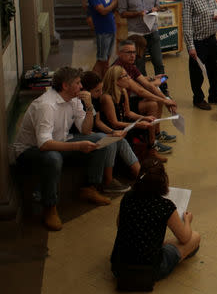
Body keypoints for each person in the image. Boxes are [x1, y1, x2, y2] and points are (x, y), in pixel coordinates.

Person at [10, 67, 127, 231]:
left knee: (101, 139)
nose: (81, 87)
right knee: (53, 158)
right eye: (78, 83)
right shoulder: (46, 105)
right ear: (65, 86)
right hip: (31, 151)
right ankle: (50, 207)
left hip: (60, 142)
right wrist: (78, 145)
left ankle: (89, 187)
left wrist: (89, 108)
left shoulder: (74, 99)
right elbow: (44, 144)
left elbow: (85, 130)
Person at [110, 157, 201, 289]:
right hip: (149, 270)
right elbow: (184, 237)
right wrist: (187, 220)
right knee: (195, 238)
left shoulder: (128, 197)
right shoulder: (165, 206)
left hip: (118, 267)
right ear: (163, 180)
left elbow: (119, 224)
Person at [111, 40, 177, 149]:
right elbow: (140, 90)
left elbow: (147, 85)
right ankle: (151, 143)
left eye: (133, 52)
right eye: (128, 52)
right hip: (120, 106)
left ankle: (157, 133)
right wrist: (165, 101)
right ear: (119, 53)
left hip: (128, 100)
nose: (132, 55)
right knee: (153, 104)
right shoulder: (119, 68)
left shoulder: (130, 65)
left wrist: (164, 99)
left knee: (157, 99)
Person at [100, 65, 169, 162]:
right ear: (117, 81)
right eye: (125, 76)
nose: (129, 78)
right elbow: (114, 123)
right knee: (140, 130)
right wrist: (137, 124)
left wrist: (144, 118)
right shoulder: (107, 98)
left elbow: (128, 113)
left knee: (147, 127)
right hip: (113, 129)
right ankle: (146, 155)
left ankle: (151, 152)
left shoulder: (123, 91)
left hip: (124, 124)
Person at [117, 0, 167, 93]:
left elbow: (157, 5)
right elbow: (122, 12)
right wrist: (137, 14)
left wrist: (155, 9)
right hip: (137, 35)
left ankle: (163, 89)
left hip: (152, 31)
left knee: (159, 62)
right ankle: (146, 91)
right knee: (139, 65)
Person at [80, 71, 141, 176]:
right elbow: (86, 130)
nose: (100, 93)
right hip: (89, 134)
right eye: (97, 91)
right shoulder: (82, 103)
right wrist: (111, 134)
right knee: (111, 141)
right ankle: (109, 180)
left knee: (120, 139)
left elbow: (98, 121)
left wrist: (113, 132)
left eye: (101, 90)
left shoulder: (96, 99)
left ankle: (139, 172)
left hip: (96, 131)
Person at [183, 0, 217, 110]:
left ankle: (214, 95)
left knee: (216, 69)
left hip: (212, 38)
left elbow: (215, 8)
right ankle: (198, 99)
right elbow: (187, 24)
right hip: (198, 41)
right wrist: (191, 47)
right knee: (197, 73)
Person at [88, 0, 118, 77]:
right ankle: (92, 82)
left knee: (107, 60)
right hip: (103, 31)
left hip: (111, 28)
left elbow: (111, 9)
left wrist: (116, 1)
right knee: (101, 60)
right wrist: (115, 1)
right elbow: (103, 11)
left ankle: (105, 83)